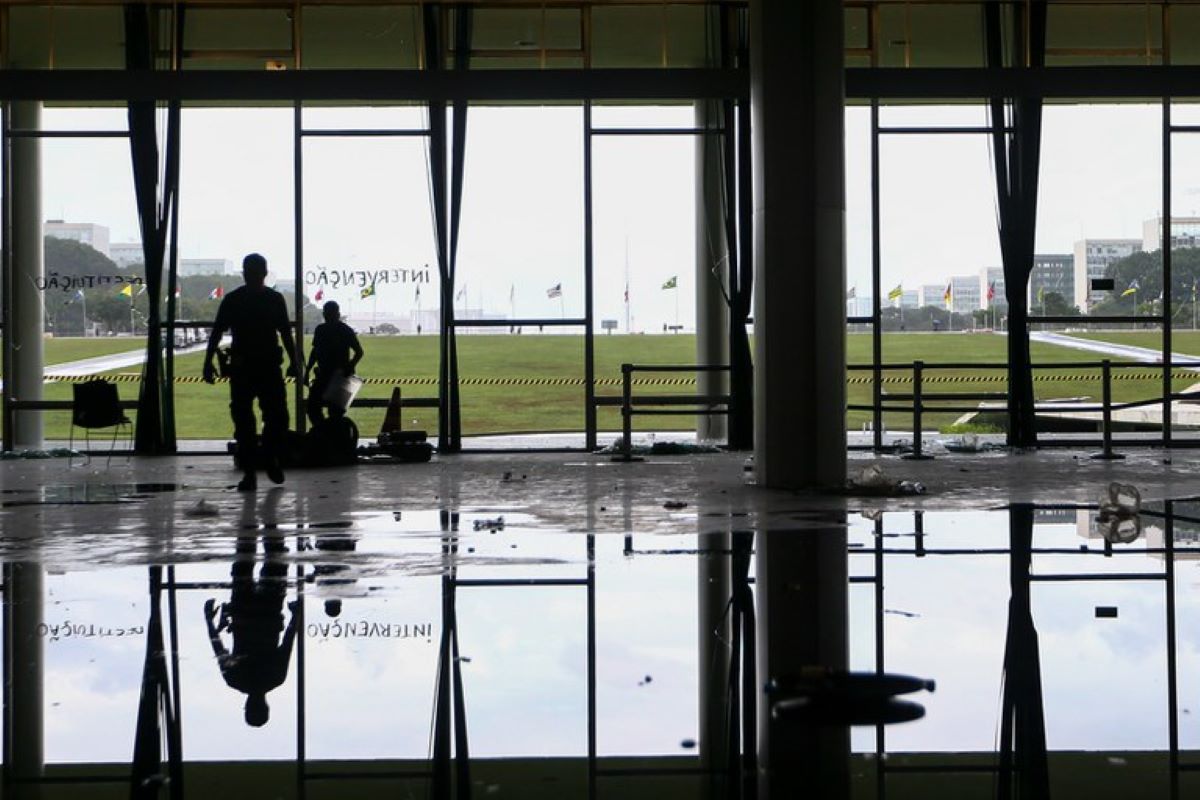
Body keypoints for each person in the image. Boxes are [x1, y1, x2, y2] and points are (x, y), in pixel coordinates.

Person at [203, 253, 300, 491]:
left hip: (243, 368)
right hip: (266, 367)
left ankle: (251, 472)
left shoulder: (234, 300)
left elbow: (216, 333)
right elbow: (285, 334)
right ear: (265, 273)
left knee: (246, 422)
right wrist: (295, 361)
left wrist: (208, 362)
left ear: (245, 273)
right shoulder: (274, 299)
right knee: (275, 418)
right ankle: (268, 458)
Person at [205, 489, 298, 727]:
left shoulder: (276, 678)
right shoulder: (236, 681)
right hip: (243, 613)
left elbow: (287, 642)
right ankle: (249, 509)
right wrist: (208, 620)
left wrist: (295, 616)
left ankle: (269, 515)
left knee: (275, 559)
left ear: (265, 706)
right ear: (247, 707)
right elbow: (219, 649)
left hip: (268, 612)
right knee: (244, 559)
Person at [304, 300, 363, 428]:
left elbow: (315, 352)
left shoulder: (321, 330)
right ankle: (331, 435)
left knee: (313, 408)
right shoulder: (345, 330)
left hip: (325, 375)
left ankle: (323, 432)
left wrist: (308, 370)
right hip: (341, 377)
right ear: (338, 314)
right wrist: (350, 366)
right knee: (335, 413)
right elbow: (359, 352)